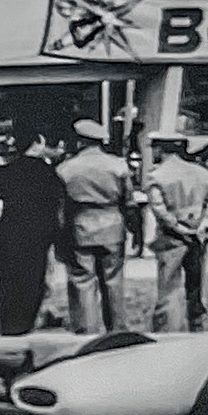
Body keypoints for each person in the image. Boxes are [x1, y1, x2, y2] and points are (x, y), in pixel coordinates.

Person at [0, 123, 71, 336]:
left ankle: (9, 325)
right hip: (38, 238)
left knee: (10, 284)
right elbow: (56, 207)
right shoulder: (48, 173)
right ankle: (25, 324)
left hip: (10, 235)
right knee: (33, 283)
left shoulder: (6, 172)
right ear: (38, 142)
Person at [55, 119, 135, 329]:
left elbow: (61, 206)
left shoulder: (65, 168)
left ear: (80, 141)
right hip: (112, 225)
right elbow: (129, 201)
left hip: (80, 226)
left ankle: (86, 330)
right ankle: (117, 329)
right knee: (113, 280)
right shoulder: (118, 165)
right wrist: (134, 228)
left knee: (82, 281)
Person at [143, 129, 208, 331]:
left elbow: (159, 209)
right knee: (196, 284)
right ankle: (198, 325)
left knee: (169, 287)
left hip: (171, 238)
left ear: (160, 149)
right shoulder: (201, 173)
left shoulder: (156, 176)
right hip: (198, 237)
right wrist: (201, 226)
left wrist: (178, 227)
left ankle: (168, 330)